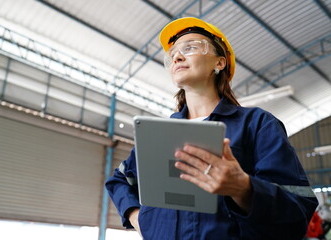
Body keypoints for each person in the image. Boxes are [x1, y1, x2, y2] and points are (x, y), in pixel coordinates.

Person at [105, 17, 318, 240]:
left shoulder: (257, 125)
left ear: (220, 63)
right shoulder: (158, 134)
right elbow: (118, 180)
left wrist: (243, 189)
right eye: (173, 54)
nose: (177, 56)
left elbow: (298, 209)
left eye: (190, 47)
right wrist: (137, 216)